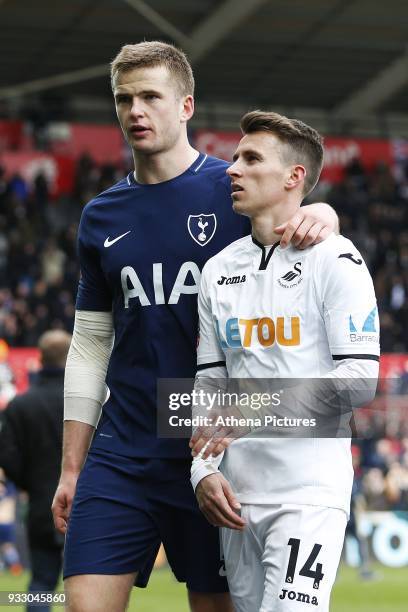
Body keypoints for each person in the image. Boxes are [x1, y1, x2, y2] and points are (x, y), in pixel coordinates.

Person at [51, 41, 339, 612]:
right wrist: (71, 465)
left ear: (185, 105)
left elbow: (304, 222)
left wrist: (325, 213)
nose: (135, 110)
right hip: (124, 446)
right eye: (124, 99)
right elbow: (89, 344)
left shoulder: (232, 188)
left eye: (150, 97)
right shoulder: (100, 215)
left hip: (214, 449)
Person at [189, 111, 380, 611]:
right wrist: (203, 471)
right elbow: (209, 383)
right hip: (236, 496)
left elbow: (360, 379)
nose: (233, 169)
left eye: (251, 158)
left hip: (308, 492)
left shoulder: (337, 259)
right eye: (234, 157)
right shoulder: (217, 270)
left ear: (295, 177)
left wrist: (254, 411)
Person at [0, 330, 71, 612]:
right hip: (89, 502)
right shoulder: (91, 400)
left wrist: (29, 483)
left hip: (42, 504)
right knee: (94, 583)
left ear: (40, 358)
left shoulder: (21, 404)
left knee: (41, 583)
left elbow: (6, 454)